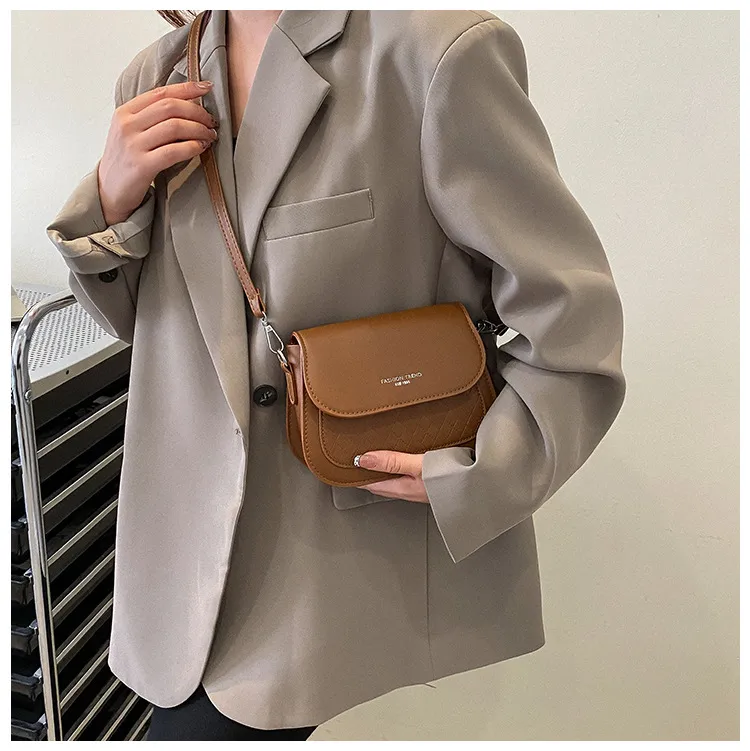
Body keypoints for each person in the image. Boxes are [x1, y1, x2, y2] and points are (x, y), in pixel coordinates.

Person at [45, 9, 627, 742]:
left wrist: (485, 468)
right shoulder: (156, 75)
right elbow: (152, 323)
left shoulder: (433, 53)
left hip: (326, 554)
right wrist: (110, 196)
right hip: (179, 549)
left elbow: (573, 321)